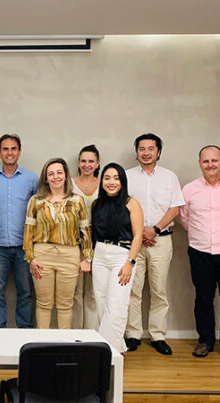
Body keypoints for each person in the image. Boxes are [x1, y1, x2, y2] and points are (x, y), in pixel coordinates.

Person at [125, 133, 185, 355]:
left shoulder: (169, 177)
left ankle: (158, 336)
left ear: (158, 151)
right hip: (134, 241)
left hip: (161, 240)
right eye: (142, 148)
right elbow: (122, 207)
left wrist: (155, 230)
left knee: (159, 290)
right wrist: (140, 233)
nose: (146, 153)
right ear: (137, 152)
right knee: (133, 289)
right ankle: (133, 335)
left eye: (151, 148)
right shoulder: (127, 176)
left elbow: (175, 208)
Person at [23, 158, 92, 329]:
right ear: (46, 178)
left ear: (65, 175)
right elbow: (28, 231)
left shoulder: (77, 200)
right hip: (42, 256)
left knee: (65, 304)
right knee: (43, 303)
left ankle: (63, 342)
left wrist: (87, 258)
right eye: (51, 174)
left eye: (59, 173)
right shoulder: (36, 201)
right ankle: (42, 342)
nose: (56, 177)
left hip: (69, 256)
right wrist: (30, 258)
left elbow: (86, 230)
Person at [91, 163, 144, 353]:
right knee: (101, 303)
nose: (111, 182)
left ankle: (108, 353)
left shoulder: (131, 203)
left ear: (122, 181)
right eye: (107, 178)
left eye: (116, 178)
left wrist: (130, 262)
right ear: (102, 181)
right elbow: (92, 234)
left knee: (117, 306)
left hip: (122, 256)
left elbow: (138, 235)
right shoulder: (97, 204)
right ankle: (114, 347)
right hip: (99, 255)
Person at [0, 134, 38, 328]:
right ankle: (0, 331)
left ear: (19, 151)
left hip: (25, 246)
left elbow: (39, 211)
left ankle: (25, 331)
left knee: (26, 292)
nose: (10, 153)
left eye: (13, 148)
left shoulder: (32, 179)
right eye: (5, 149)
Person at [178, 145, 220, 357]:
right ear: (200, 164)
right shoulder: (189, 189)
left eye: (214, 160)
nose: (210, 165)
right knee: (203, 298)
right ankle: (205, 340)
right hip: (200, 252)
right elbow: (184, 218)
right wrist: (199, 234)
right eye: (206, 161)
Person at [71, 144, 101, 330]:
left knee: (94, 291)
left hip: (99, 243)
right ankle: (75, 334)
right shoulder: (69, 184)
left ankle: (92, 333)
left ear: (98, 163)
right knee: (75, 291)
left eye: (91, 161)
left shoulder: (105, 184)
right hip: (75, 243)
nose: (87, 165)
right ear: (78, 163)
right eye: (83, 161)